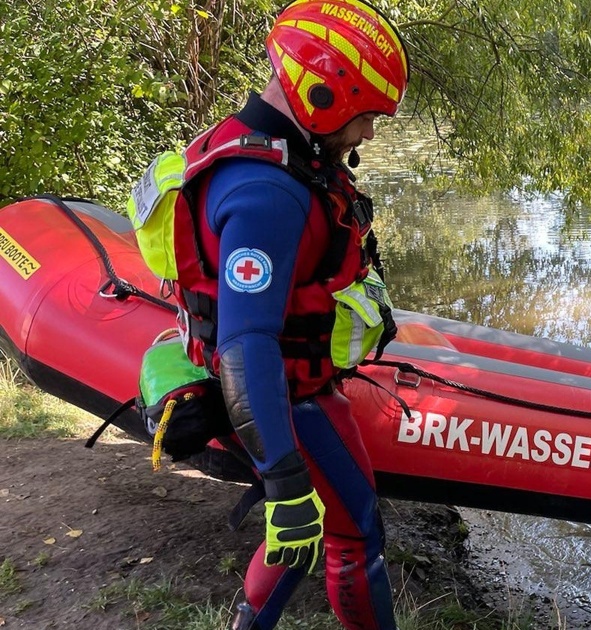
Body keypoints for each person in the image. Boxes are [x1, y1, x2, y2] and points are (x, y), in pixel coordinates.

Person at [136, 2, 409, 628]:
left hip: (285, 385)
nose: (368, 132)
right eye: (367, 114)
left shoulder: (279, 152)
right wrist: (283, 477)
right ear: (323, 93)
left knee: (305, 537)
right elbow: (247, 341)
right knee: (353, 531)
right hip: (279, 395)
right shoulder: (265, 195)